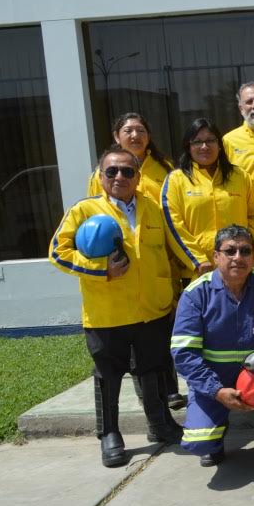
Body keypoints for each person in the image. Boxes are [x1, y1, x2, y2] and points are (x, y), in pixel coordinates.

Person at [49, 144, 187, 468]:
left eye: (128, 171)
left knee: (152, 369)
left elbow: (171, 251)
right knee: (108, 376)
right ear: (100, 176)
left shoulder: (153, 208)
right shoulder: (85, 210)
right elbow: (58, 252)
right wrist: (101, 270)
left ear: (139, 176)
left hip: (152, 310)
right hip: (107, 314)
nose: (120, 177)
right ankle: (110, 434)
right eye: (112, 171)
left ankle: (161, 424)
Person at [170, 225, 254, 476]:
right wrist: (216, 390)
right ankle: (214, 441)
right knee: (199, 440)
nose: (238, 257)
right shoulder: (195, 294)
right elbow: (184, 355)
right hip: (214, 376)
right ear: (216, 257)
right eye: (230, 251)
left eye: (245, 251)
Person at [162, 118, 254, 278]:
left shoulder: (240, 177)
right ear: (188, 147)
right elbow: (173, 225)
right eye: (197, 142)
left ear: (220, 145)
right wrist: (197, 260)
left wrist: (251, 251)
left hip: (239, 266)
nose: (204, 147)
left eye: (210, 141)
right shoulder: (176, 180)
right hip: (199, 271)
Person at [86, 112, 173, 200]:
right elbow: (94, 208)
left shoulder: (165, 167)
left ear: (148, 136)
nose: (135, 135)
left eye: (141, 130)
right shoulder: (105, 172)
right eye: (128, 131)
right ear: (117, 137)